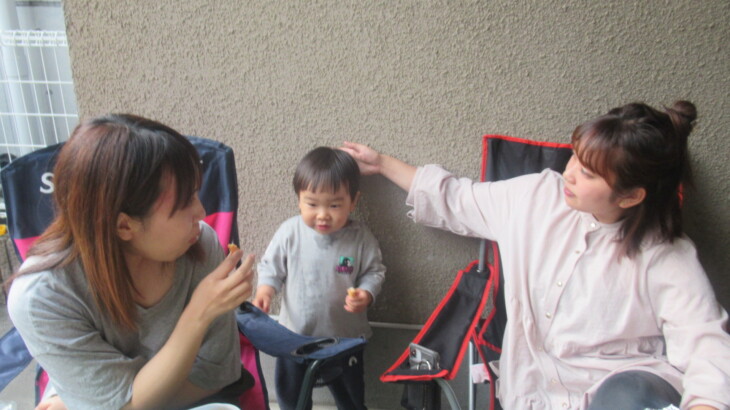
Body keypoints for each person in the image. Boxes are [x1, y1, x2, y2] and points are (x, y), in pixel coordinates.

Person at [341, 101, 730, 410]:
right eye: (576, 156)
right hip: (533, 391)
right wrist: (382, 164)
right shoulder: (537, 197)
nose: (570, 173)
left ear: (630, 196)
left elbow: (705, 343)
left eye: (589, 173)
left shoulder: (666, 255)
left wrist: (706, 403)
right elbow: (456, 199)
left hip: (622, 390)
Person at [5, 114, 255, 410]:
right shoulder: (42, 297)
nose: (201, 212)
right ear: (124, 226)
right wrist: (198, 315)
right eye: (185, 201)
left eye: (196, 194)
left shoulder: (200, 244)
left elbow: (216, 375)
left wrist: (102, 404)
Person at [252, 146, 386, 410]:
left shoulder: (360, 237)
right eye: (312, 204)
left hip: (345, 338)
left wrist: (366, 293)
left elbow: (374, 271)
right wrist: (265, 290)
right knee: (292, 396)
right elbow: (270, 267)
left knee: (350, 396)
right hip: (295, 335)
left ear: (353, 201)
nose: (323, 214)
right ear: (299, 200)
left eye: (335, 205)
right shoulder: (289, 232)